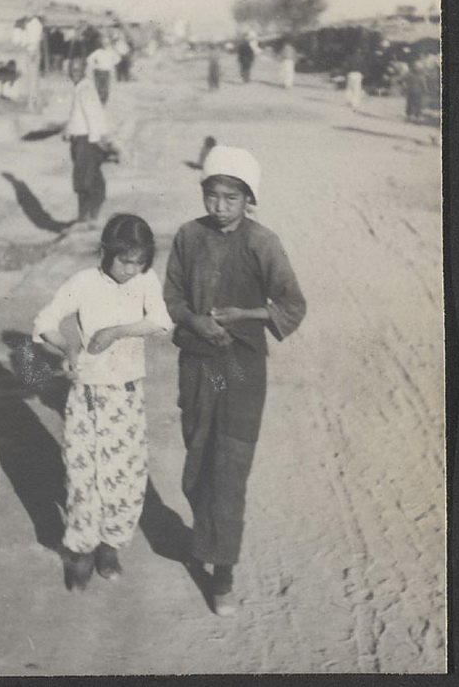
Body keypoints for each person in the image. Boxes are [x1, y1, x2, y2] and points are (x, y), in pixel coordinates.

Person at [164, 145, 306, 617]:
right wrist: (194, 322)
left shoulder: (263, 242)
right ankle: (203, 535)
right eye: (213, 195)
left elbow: (291, 304)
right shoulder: (188, 236)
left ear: (249, 200)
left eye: (231, 197)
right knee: (198, 454)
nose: (220, 206)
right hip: (199, 363)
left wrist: (245, 313)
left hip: (241, 367)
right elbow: (171, 296)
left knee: (231, 461)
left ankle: (222, 572)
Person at [32, 213, 173, 589]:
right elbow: (44, 321)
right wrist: (65, 346)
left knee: (125, 477)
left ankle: (110, 545)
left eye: (139, 262)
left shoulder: (144, 281)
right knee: (83, 475)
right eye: (125, 260)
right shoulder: (83, 283)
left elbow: (161, 322)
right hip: (88, 396)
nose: (131, 269)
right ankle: (80, 549)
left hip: (126, 396)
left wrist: (116, 332)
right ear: (105, 252)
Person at [65, 57, 110, 225]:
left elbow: (93, 115)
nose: (73, 74)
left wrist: (94, 141)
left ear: (83, 71)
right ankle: (87, 217)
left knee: (85, 180)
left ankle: (89, 217)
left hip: (87, 140)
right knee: (88, 178)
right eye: (71, 71)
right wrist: (68, 131)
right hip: (81, 139)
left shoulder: (85, 89)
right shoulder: (81, 87)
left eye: (77, 71)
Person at [87, 36, 121, 105]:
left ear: (108, 44)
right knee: (98, 87)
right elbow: (89, 59)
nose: (104, 45)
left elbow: (118, 59)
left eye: (106, 43)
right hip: (98, 71)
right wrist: (94, 65)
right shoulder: (97, 52)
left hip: (106, 72)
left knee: (105, 88)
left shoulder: (111, 52)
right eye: (103, 43)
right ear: (101, 44)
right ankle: (98, 101)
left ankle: (103, 102)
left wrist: (111, 64)